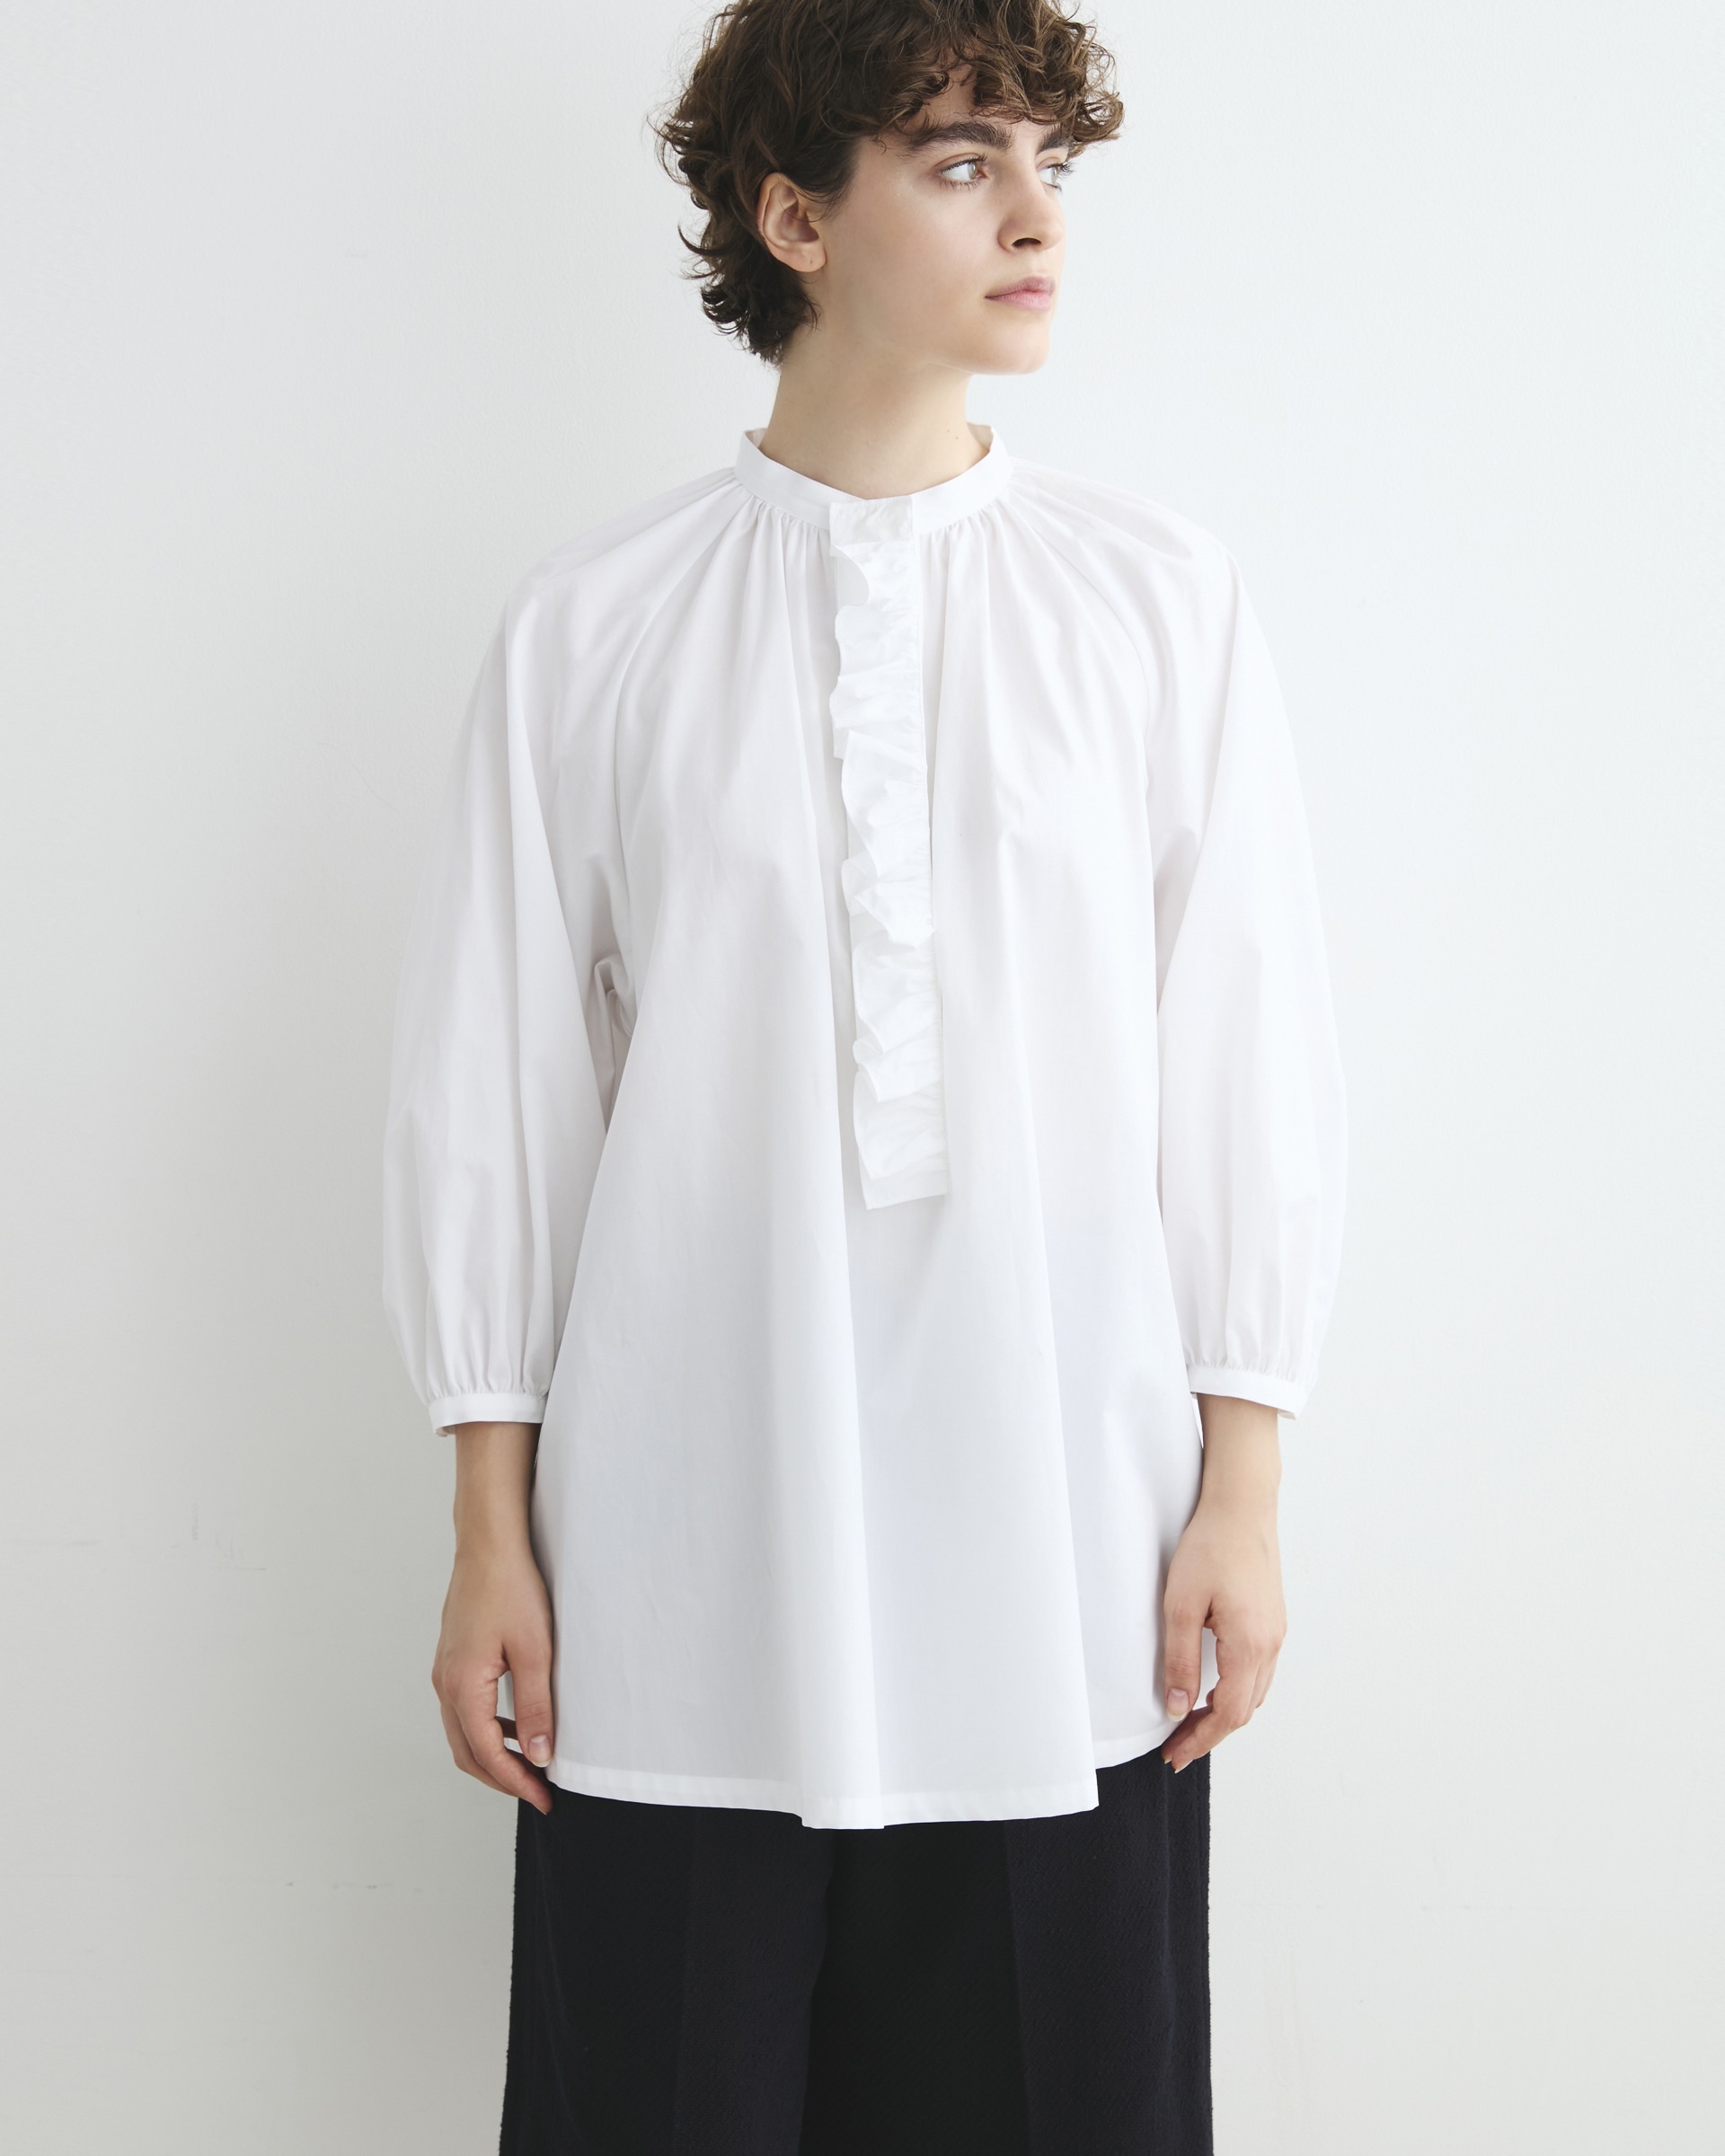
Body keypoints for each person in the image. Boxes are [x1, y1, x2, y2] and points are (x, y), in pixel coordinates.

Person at [382, 2, 1347, 2148]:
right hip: (680, 1571)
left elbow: (1245, 1068)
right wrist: (487, 1533)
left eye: (1051, 168)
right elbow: (497, 1100)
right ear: (795, 218)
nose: (1037, 222)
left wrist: (1243, 1491)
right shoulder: (597, 626)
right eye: (961, 163)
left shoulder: (1155, 607)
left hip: (1068, 1565)